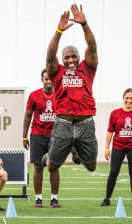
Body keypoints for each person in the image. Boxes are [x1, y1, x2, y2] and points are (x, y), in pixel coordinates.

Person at [42, 4, 99, 208]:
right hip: (63, 124)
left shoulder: (88, 68)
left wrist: (84, 24)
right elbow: (50, 57)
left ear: (79, 58)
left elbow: (92, 47)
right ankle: (53, 155)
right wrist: (58, 32)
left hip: (85, 124)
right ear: (63, 60)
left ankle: (76, 151)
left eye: (74, 56)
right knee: (51, 166)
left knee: (92, 167)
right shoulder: (57, 72)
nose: (71, 59)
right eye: (67, 57)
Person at [101, 88, 132, 207]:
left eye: (131, 98)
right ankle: (107, 198)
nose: (129, 100)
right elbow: (110, 132)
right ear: (123, 99)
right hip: (118, 146)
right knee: (113, 172)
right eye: (127, 98)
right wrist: (106, 148)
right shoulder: (115, 113)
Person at [23, 69, 58, 208]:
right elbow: (27, 116)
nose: (48, 81)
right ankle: (38, 198)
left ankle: (54, 199)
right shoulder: (34, 95)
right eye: (46, 79)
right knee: (38, 167)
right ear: (42, 80)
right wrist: (24, 136)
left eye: (51, 79)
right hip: (37, 135)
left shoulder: (61, 95)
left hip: (56, 136)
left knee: (54, 167)